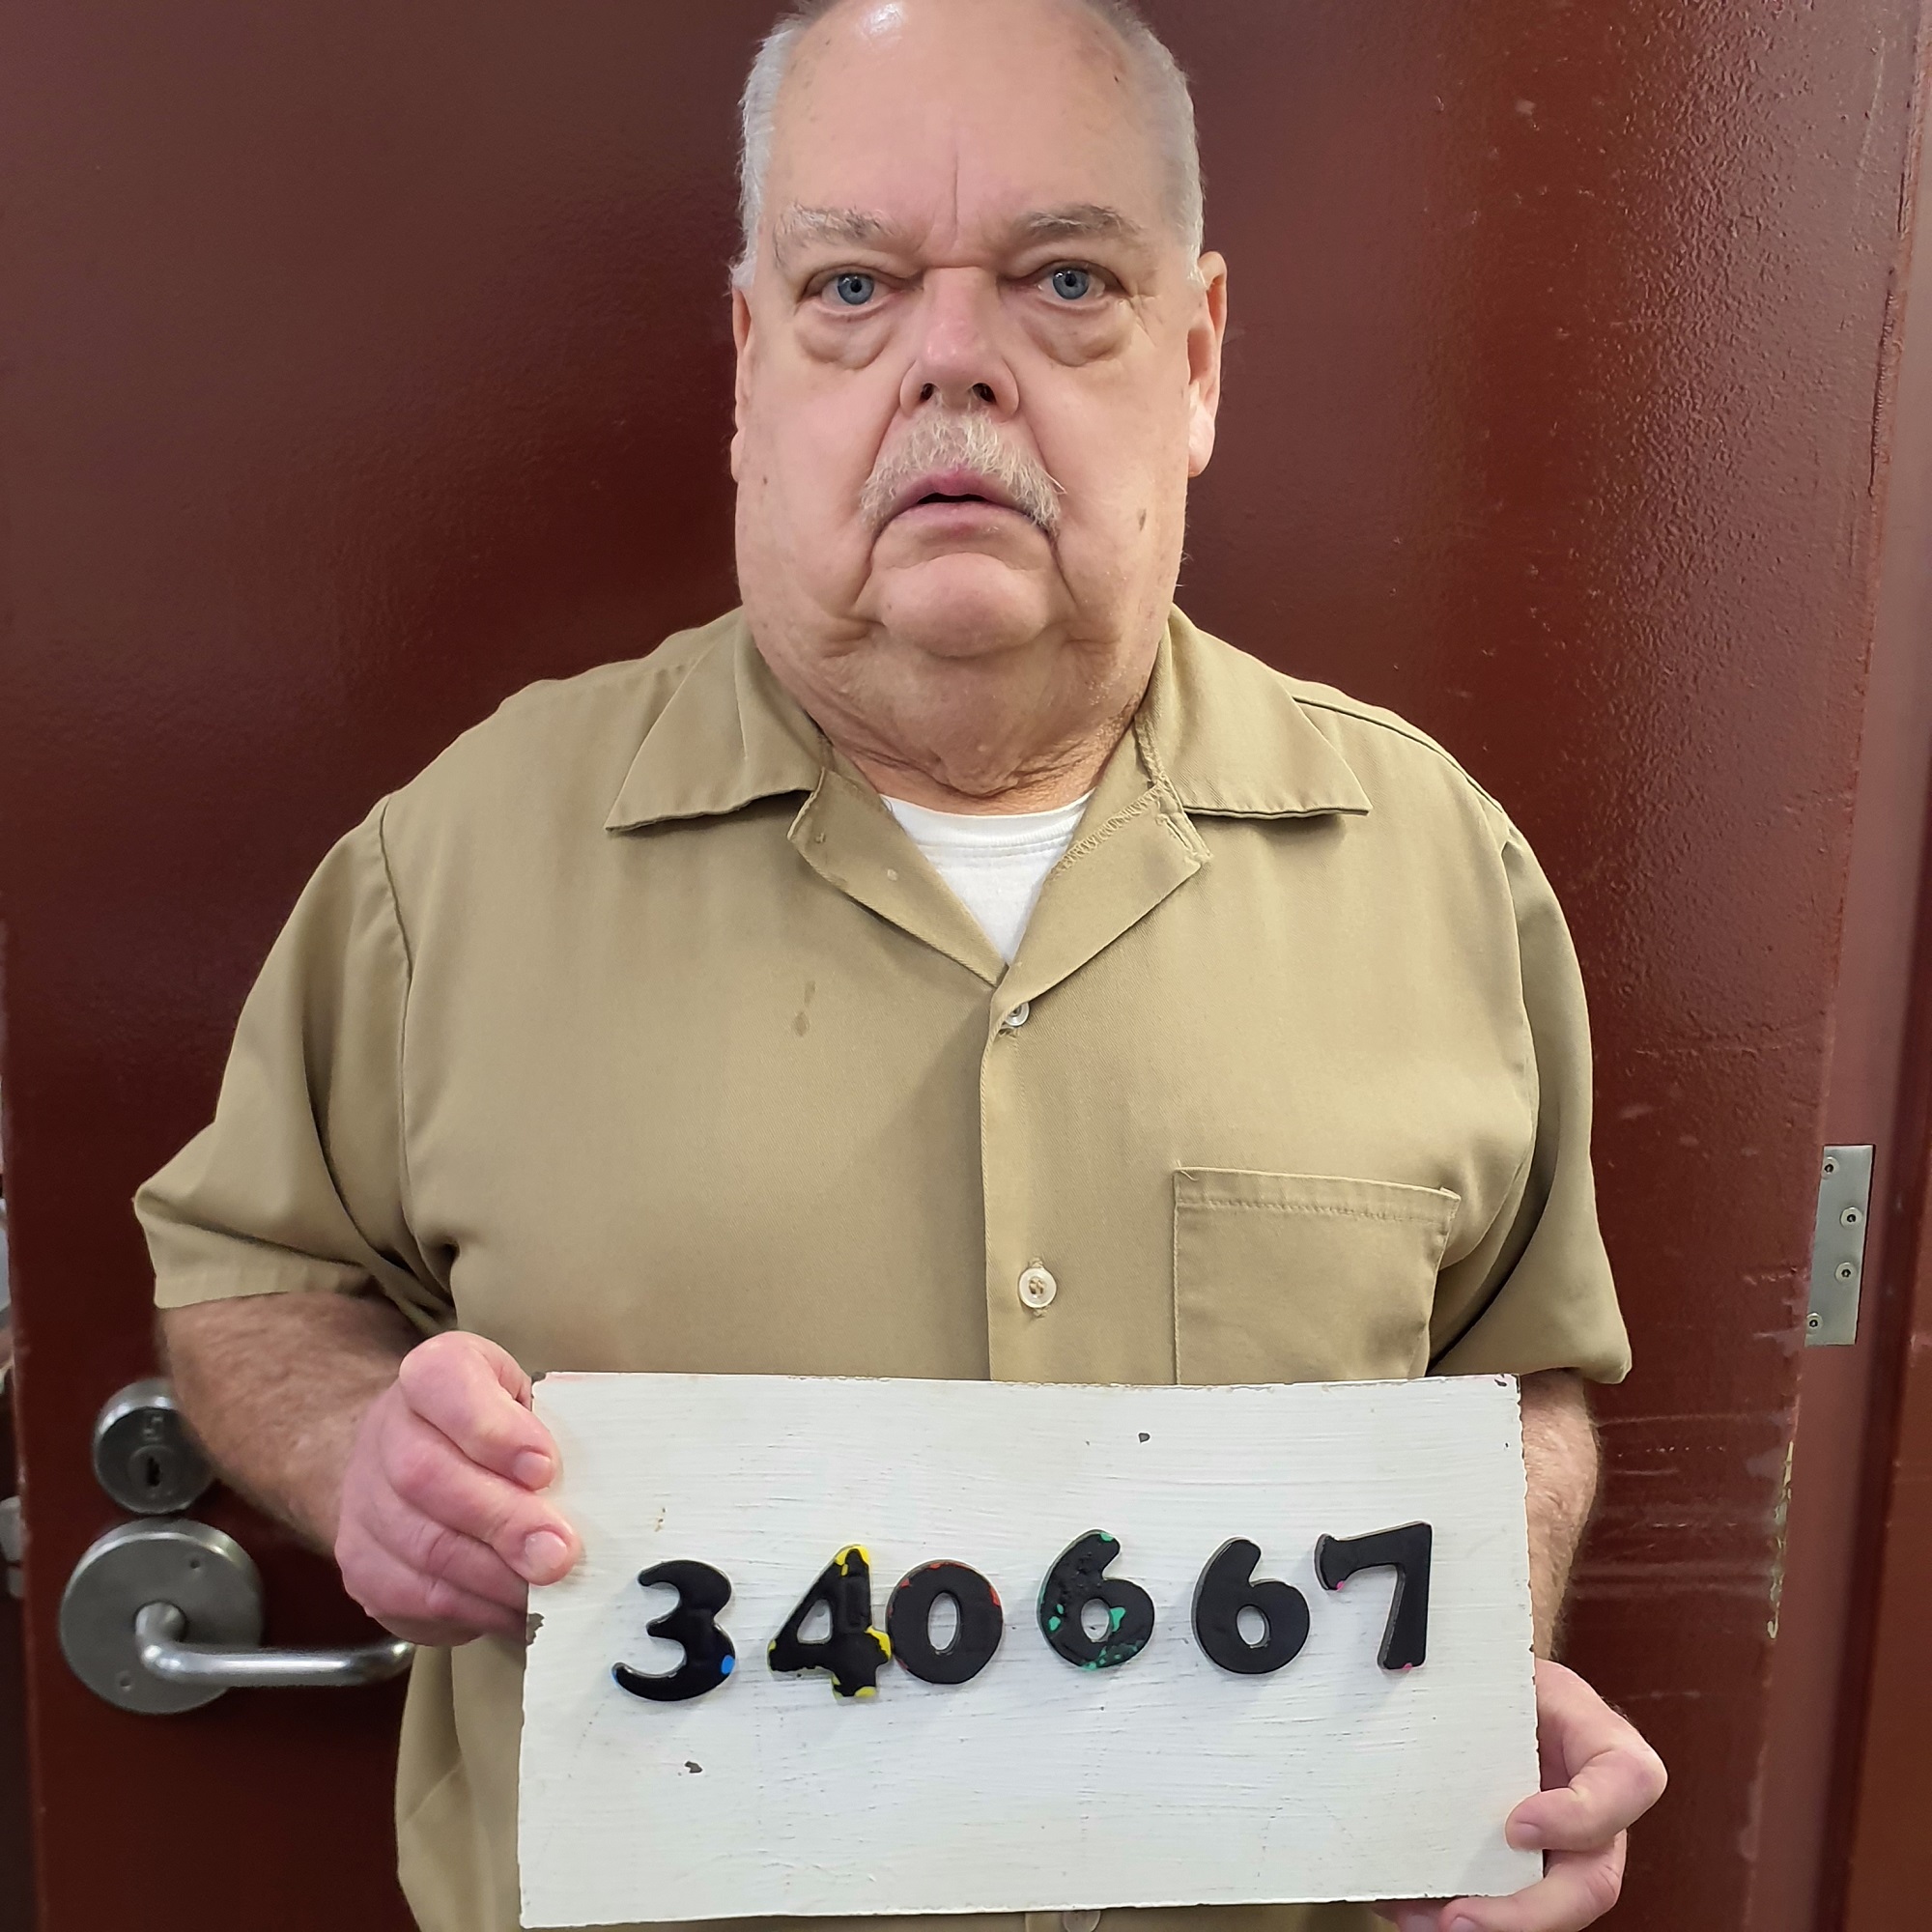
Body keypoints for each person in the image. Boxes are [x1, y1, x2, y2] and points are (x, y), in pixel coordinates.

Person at [138, 2, 1666, 1929]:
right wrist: (363, 1453)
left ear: (1196, 357)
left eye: (1065, 280)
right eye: (854, 285)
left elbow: (1513, 1374)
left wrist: (1465, 1706)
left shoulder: (1438, 870)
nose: (955, 358)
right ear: (750, 361)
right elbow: (253, 1281)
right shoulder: (446, 868)